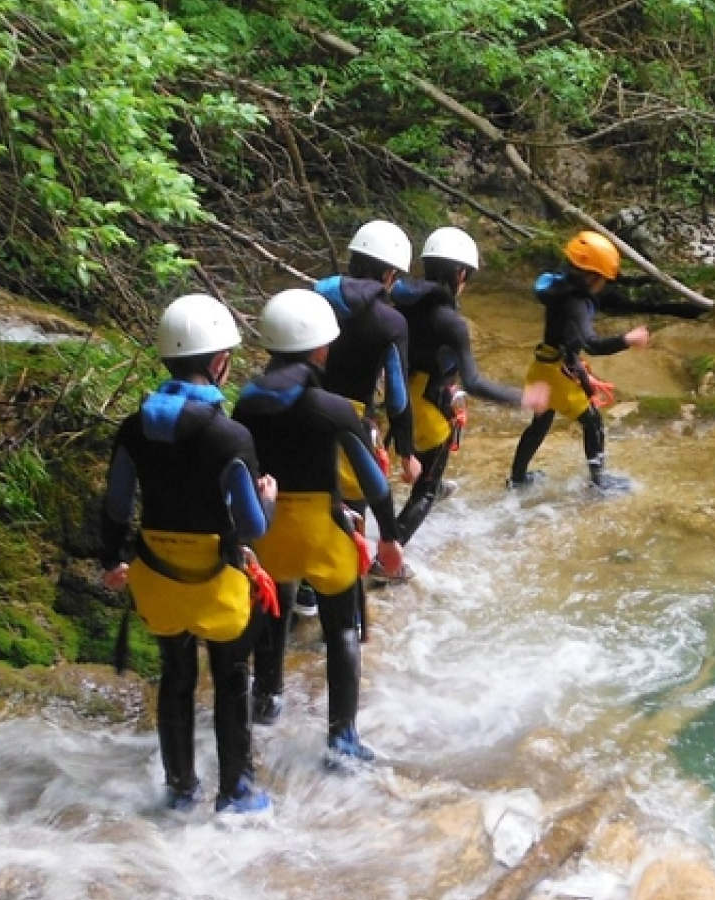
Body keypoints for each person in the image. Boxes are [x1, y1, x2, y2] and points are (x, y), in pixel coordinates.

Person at [98, 293, 276, 814]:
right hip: (216, 584)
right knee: (229, 678)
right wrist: (267, 499)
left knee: (176, 676)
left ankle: (180, 788)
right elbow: (251, 529)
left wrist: (111, 560)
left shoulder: (133, 429)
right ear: (220, 362)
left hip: (156, 579)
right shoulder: (231, 437)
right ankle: (236, 794)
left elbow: (115, 504)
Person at [234, 289, 404, 762]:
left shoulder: (246, 404)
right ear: (320, 348)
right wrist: (388, 537)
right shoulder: (333, 409)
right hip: (322, 533)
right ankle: (342, 738)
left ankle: (268, 696)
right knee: (343, 631)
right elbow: (373, 483)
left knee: (276, 605)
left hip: (268, 531)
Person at [391, 227, 547, 550]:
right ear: (460, 274)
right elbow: (473, 382)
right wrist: (522, 398)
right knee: (426, 492)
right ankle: (389, 555)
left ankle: (429, 490)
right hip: (431, 412)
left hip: (399, 403)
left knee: (426, 469)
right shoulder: (451, 322)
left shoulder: (399, 302)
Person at [302, 220, 417, 612]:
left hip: (304, 408)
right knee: (355, 506)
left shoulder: (317, 296)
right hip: (354, 421)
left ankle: (303, 586)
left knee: (307, 495)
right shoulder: (391, 322)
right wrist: (408, 450)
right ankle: (346, 592)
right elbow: (398, 396)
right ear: (389, 274)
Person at [507, 231, 649, 492]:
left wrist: (582, 374)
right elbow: (591, 344)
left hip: (542, 364)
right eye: (604, 279)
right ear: (592, 276)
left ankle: (517, 479)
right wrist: (627, 339)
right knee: (593, 422)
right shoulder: (578, 303)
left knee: (540, 423)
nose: (604, 285)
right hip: (556, 372)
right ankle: (598, 482)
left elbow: (568, 339)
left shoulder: (560, 288)